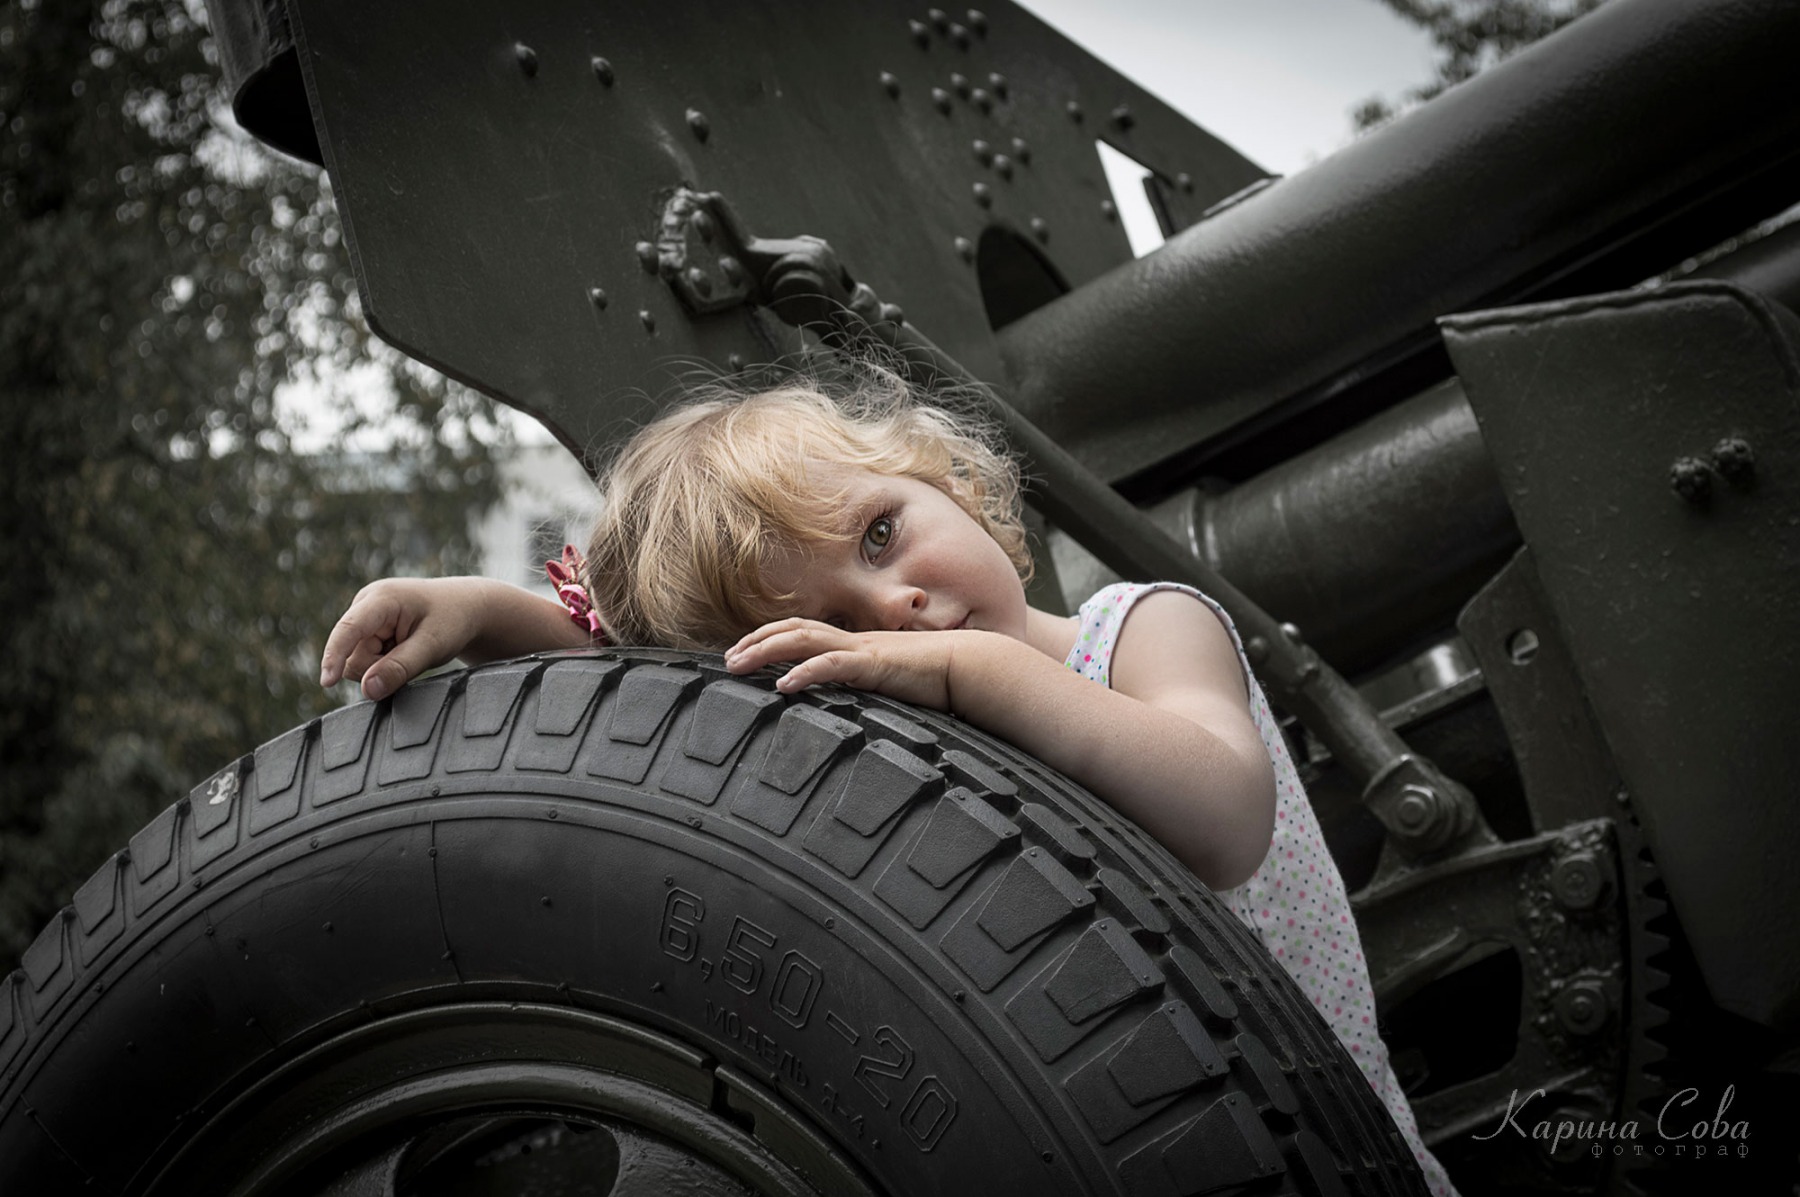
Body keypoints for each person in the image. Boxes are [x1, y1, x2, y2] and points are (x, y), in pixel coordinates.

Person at [318, 371, 1456, 1194]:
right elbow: (667, 709)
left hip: (1324, 1144)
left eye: (877, 535)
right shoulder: (910, 745)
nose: (899, 611)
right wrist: (486, 608)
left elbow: (1226, 820)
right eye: (835, 629)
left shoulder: (1144, 630)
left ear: (941, 474)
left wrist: (982, 674)